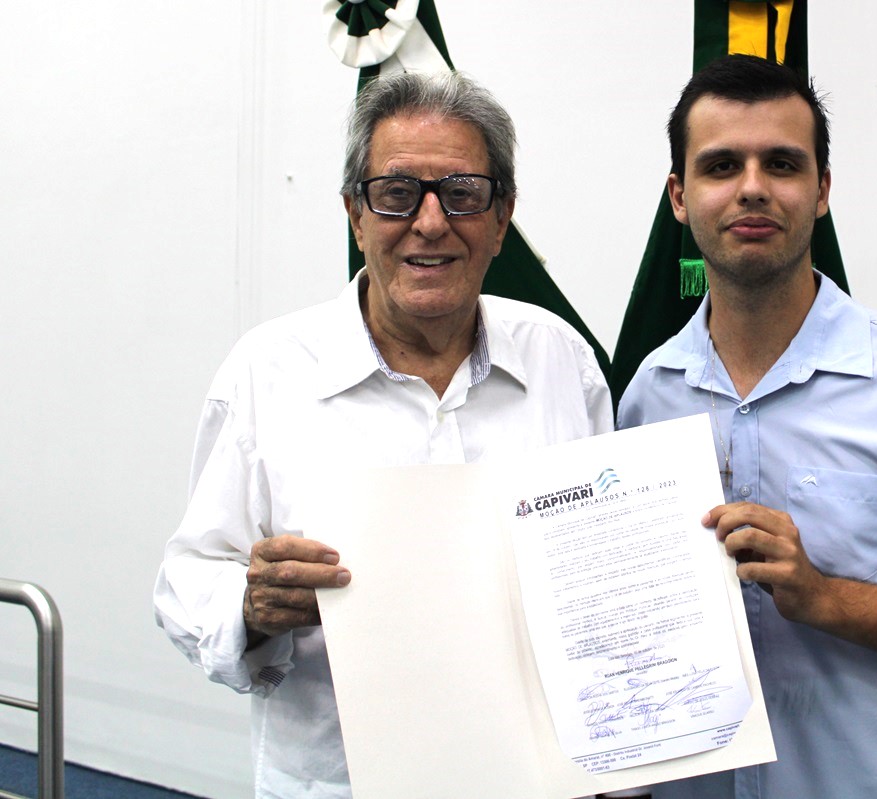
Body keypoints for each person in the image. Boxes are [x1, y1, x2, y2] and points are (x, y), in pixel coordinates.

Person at [154, 70, 612, 798]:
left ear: (501, 219)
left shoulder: (563, 360)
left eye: (462, 193)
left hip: (537, 780)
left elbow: (606, 565)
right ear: (355, 215)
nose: (430, 223)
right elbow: (186, 579)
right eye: (397, 194)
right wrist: (250, 604)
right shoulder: (266, 373)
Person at [617, 54, 877, 798]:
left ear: (821, 191)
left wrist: (825, 597)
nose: (753, 186)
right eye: (722, 166)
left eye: (782, 163)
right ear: (680, 197)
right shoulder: (650, 393)